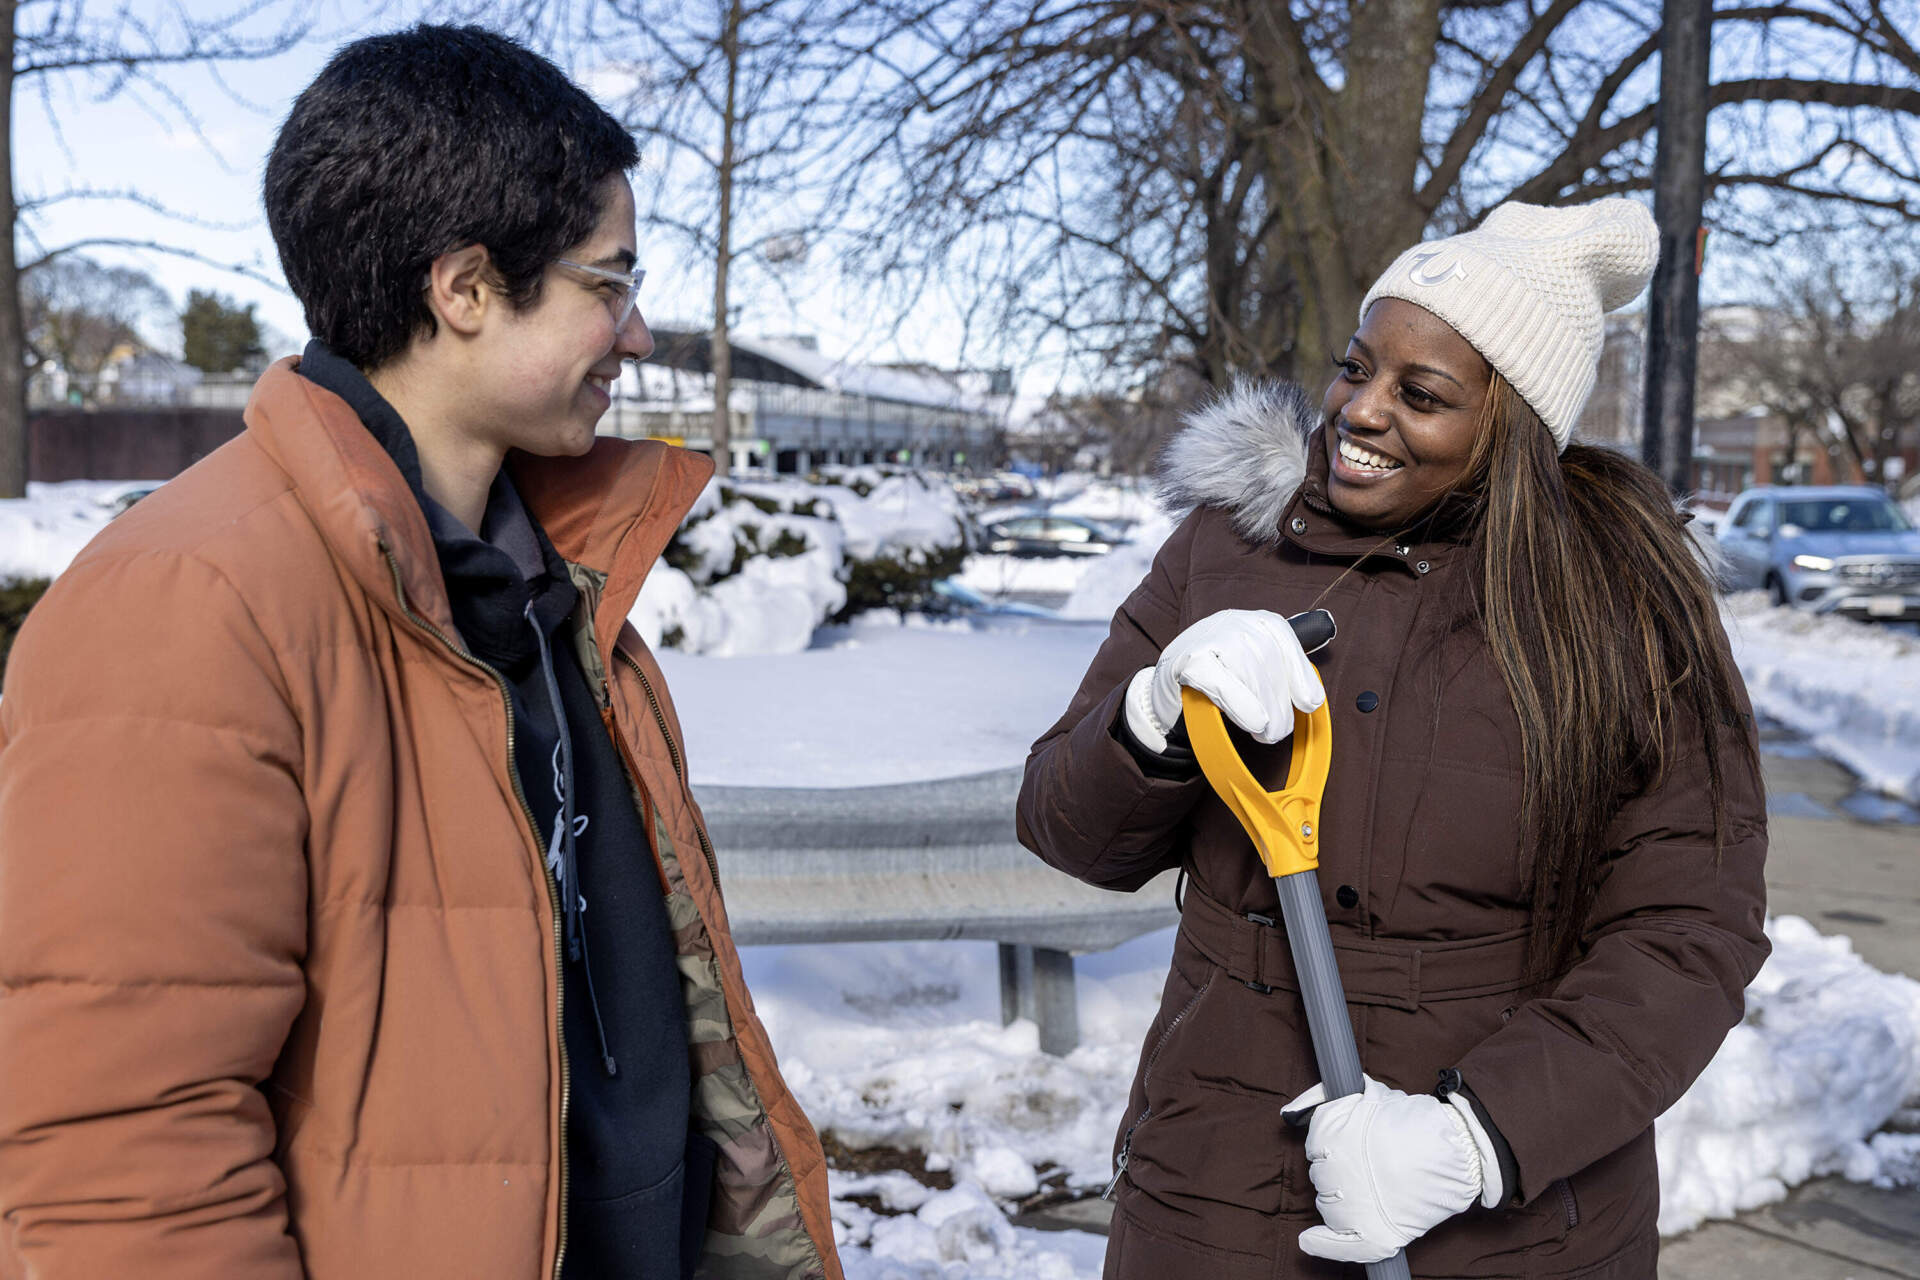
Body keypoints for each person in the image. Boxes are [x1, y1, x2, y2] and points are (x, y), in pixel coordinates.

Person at [0, 26, 841, 1280]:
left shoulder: (556, 580)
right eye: (608, 284)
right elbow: (120, 1157)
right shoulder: (189, 602)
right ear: (463, 290)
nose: (641, 332)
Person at [1017, 199, 1769, 1279]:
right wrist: (1151, 715)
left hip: (1509, 1221)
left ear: (1513, 425)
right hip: (1219, 1182)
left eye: (1421, 394)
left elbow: (1691, 929)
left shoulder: (1622, 614)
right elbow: (1064, 824)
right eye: (1354, 366)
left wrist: (1479, 1139)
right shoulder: (1226, 555)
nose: (1358, 413)